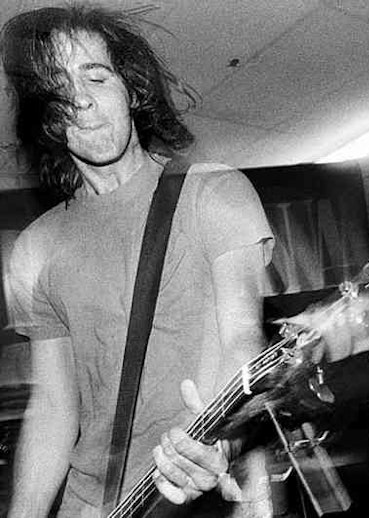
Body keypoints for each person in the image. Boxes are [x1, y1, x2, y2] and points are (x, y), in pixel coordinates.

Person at [2, 6, 275, 517]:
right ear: (46, 113)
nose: (81, 98)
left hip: (194, 490)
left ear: (130, 88)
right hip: (90, 506)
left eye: (96, 75)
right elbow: (55, 409)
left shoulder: (212, 192)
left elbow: (242, 339)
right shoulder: (35, 248)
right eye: (58, 85)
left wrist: (223, 442)